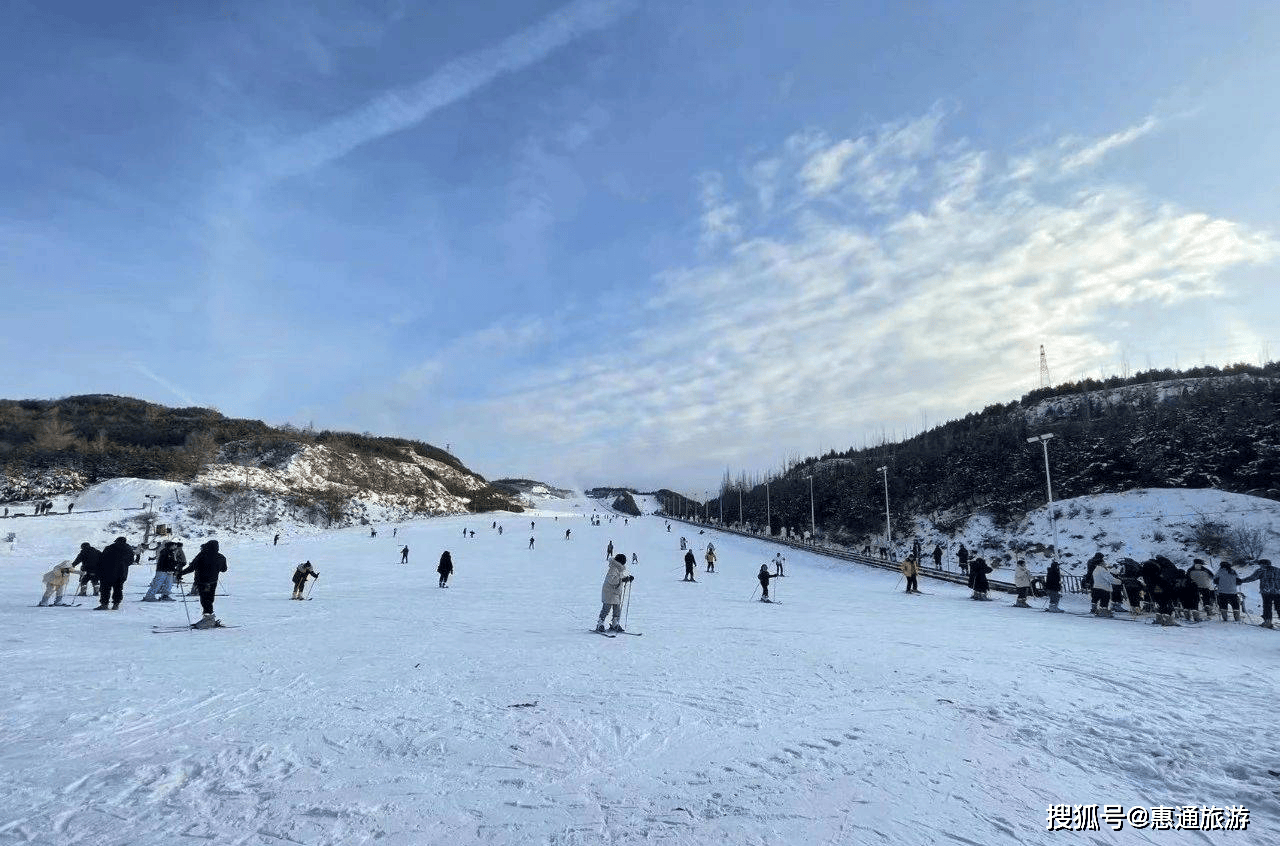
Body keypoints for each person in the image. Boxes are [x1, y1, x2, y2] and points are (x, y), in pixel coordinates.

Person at [180, 539, 228, 628]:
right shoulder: (221, 557)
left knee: (205, 599)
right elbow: (224, 569)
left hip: (202, 581)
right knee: (209, 599)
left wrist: (180, 573)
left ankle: (208, 619)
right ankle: (209, 618)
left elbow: (192, 567)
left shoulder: (202, 555)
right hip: (213, 581)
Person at [595, 553, 634, 632]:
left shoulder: (619, 569)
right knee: (606, 608)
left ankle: (615, 623)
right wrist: (622, 580)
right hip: (609, 592)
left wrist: (627, 578)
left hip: (615, 592)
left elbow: (620, 577)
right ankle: (600, 624)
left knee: (617, 609)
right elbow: (611, 580)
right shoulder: (613, 568)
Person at [94, 536, 134, 611]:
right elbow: (131, 561)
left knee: (105, 589)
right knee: (118, 589)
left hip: (108, 572)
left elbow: (102, 560)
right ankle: (116, 604)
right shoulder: (129, 549)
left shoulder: (109, 548)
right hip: (121, 573)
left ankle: (104, 604)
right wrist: (123, 565)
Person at [1239, 558, 1279, 629]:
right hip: (1277, 591)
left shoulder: (1261, 571)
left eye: (1260, 564)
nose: (1260, 566)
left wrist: (1241, 581)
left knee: (1267, 607)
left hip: (1266, 592)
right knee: (1279, 607)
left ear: (1263, 564)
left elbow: (1252, 578)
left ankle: (1268, 622)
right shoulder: (1277, 570)